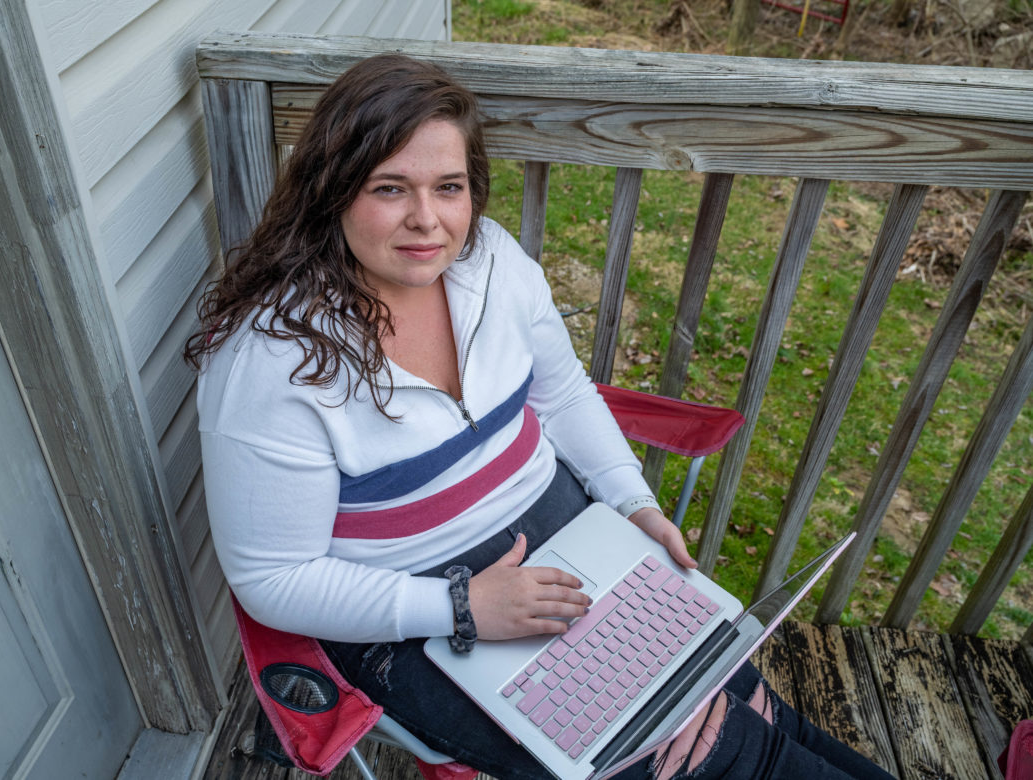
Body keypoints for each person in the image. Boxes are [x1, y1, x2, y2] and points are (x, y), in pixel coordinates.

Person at [186, 53, 895, 780]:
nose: (427, 220)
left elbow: (563, 397)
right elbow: (274, 579)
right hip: (403, 608)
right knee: (700, 755)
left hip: (566, 530)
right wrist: (461, 606)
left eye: (449, 187)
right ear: (332, 191)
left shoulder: (491, 263)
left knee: (744, 697)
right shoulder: (269, 364)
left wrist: (633, 503)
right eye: (389, 188)